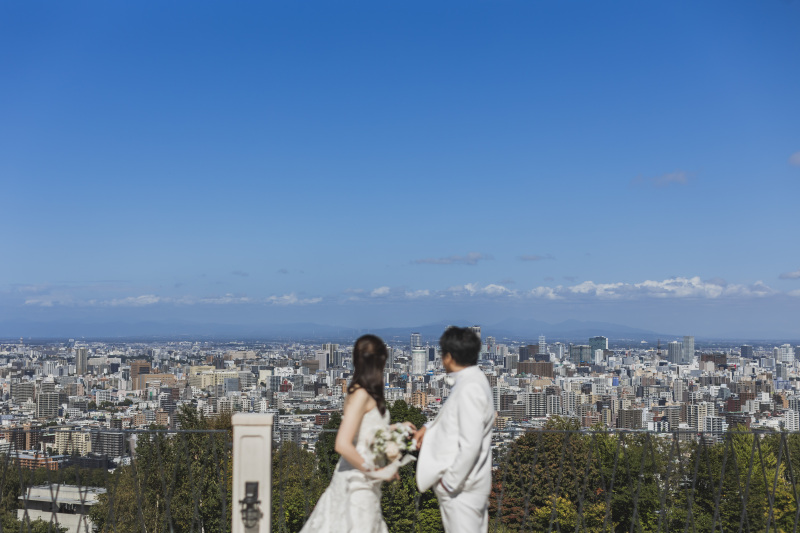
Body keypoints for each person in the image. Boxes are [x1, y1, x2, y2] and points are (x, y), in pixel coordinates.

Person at [301, 334, 406, 533]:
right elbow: (342, 443)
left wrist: (398, 429)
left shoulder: (362, 391)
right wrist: (375, 470)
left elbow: (367, 433)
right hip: (356, 479)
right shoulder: (361, 394)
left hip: (364, 479)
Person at [414, 326, 494, 533]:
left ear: (449, 357)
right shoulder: (474, 380)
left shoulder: (470, 388)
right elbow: (458, 421)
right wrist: (428, 427)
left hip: (463, 489)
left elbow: (470, 444)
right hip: (468, 486)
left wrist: (448, 483)